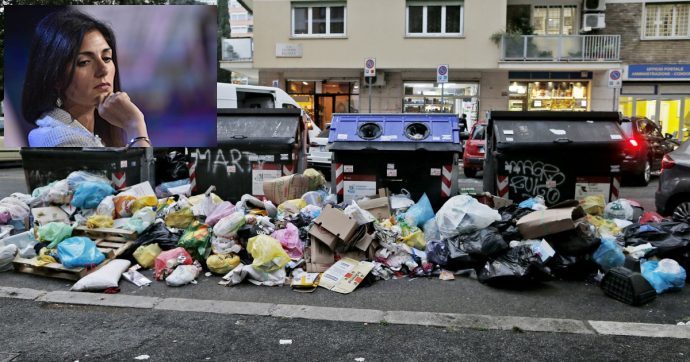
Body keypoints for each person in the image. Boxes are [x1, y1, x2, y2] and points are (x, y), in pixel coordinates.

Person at [22, 10, 150, 148]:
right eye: (84, 62)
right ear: (56, 77)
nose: (103, 70)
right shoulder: (63, 140)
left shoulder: (87, 133)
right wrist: (135, 126)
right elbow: (144, 169)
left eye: (106, 58)